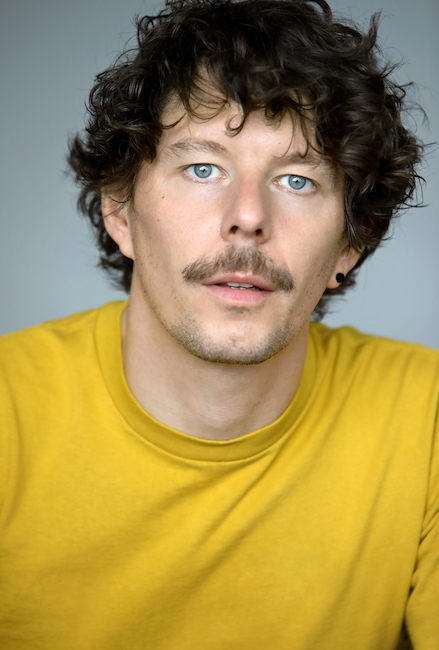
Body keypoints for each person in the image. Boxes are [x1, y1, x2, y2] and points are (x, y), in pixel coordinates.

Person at [0, 0, 437, 647]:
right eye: (203, 168)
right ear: (120, 211)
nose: (248, 217)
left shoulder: (425, 414)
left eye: (297, 180)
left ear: (349, 243)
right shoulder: (8, 408)